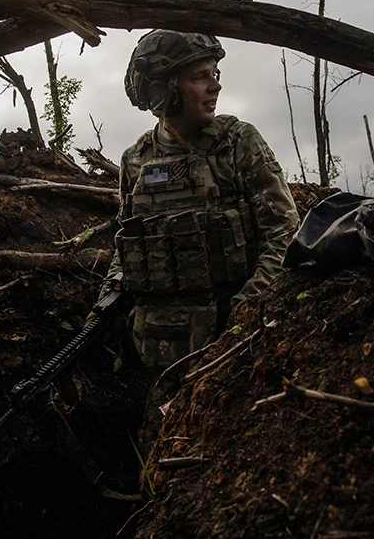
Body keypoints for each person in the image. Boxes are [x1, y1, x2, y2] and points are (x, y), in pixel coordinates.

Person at [106, 30, 300, 374]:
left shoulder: (236, 142)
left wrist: (246, 310)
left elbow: (283, 232)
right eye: (200, 77)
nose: (215, 87)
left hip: (233, 345)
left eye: (215, 74)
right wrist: (106, 301)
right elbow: (125, 247)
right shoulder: (136, 160)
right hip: (158, 347)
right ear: (164, 89)